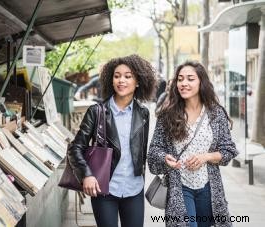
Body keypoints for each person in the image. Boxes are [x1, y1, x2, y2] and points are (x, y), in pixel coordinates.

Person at [68, 54, 157, 227]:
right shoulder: (96, 111)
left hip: (134, 190)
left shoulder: (143, 113)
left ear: (138, 81)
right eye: (117, 76)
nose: (121, 80)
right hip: (104, 190)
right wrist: (86, 175)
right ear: (111, 80)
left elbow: (142, 152)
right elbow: (75, 148)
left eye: (127, 76)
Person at [148, 61, 238, 227]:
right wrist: (164, 157)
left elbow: (229, 149)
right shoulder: (167, 114)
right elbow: (154, 150)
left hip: (208, 188)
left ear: (201, 82)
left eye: (190, 79)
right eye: (180, 79)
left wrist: (206, 157)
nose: (184, 83)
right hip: (180, 187)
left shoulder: (216, 113)